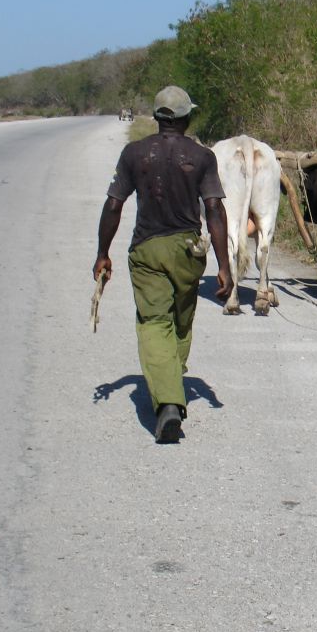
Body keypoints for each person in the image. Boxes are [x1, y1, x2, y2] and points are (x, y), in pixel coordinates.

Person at [93, 86, 234, 443]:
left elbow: (113, 205)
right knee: (181, 322)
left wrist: (102, 252)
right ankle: (171, 391)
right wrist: (224, 266)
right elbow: (214, 208)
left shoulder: (134, 153)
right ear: (187, 118)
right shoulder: (202, 157)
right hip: (188, 251)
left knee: (155, 323)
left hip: (147, 249)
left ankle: (168, 395)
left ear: (157, 118)